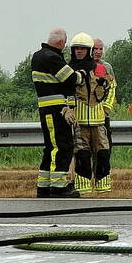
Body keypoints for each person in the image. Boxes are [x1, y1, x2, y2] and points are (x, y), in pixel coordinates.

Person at [31, 29, 83, 198]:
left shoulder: (38, 56)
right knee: (62, 147)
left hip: (48, 110)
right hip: (57, 110)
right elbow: (70, 78)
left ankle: (44, 185)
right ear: (61, 43)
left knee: (51, 147)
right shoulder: (52, 57)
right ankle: (59, 186)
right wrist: (81, 75)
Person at [69, 33, 114, 194]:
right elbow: (66, 92)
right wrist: (69, 110)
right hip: (79, 121)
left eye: (83, 48)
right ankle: (83, 187)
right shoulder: (70, 70)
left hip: (99, 120)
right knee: (82, 154)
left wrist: (107, 107)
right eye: (76, 49)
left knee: (103, 153)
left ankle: (103, 187)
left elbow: (112, 86)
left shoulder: (101, 68)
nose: (79, 51)